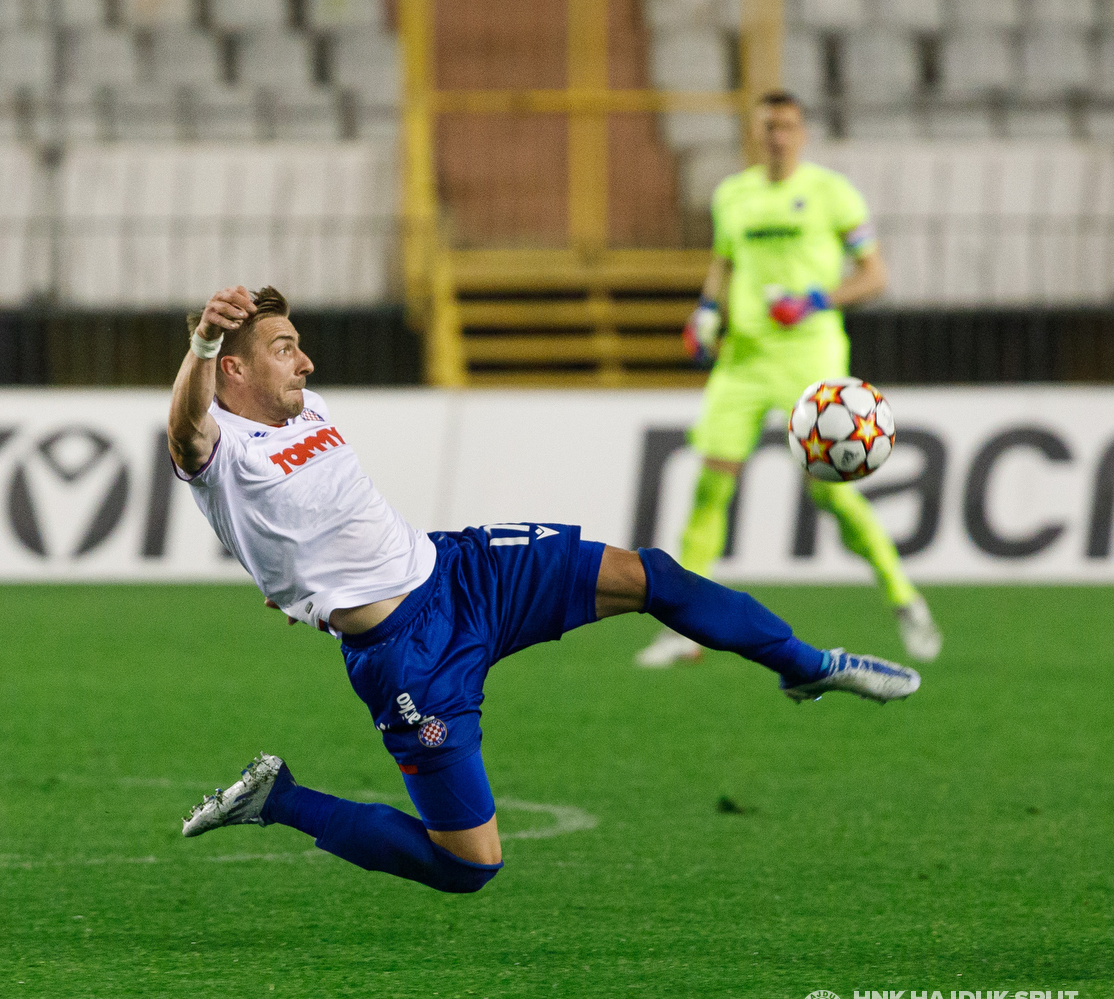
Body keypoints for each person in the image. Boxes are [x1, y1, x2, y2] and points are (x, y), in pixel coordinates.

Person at [169, 284, 919, 895]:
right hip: (409, 658)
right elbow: (185, 430)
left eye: (298, 343)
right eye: (284, 347)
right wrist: (203, 341)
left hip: (463, 571)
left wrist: (287, 579)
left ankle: (804, 663)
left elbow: (308, 525)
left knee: (651, 574)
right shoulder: (218, 447)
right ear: (232, 370)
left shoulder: (313, 409)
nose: (305, 360)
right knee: (468, 863)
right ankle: (280, 798)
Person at [639, 90, 941, 670]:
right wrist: (706, 311)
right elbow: (724, 266)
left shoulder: (832, 194)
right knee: (710, 487)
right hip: (745, 359)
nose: (778, 135)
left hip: (811, 361)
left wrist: (815, 301)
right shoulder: (733, 196)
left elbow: (874, 275)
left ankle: (904, 598)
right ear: (756, 133)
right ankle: (685, 632)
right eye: (769, 126)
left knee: (832, 494)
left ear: (802, 133)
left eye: (788, 126)